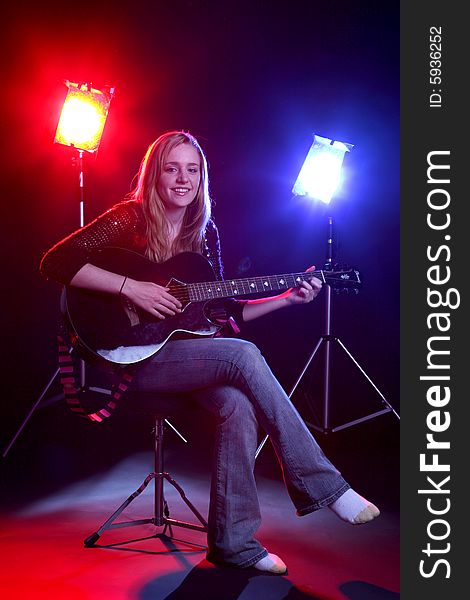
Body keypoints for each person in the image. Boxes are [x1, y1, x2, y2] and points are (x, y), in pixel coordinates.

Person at [40, 130, 379, 575]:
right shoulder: (130, 218)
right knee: (241, 355)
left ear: (202, 176)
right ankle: (325, 486)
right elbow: (55, 262)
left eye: (192, 169)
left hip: (186, 358)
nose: (183, 179)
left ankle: (233, 545)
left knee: (237, 403)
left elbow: (225, 310)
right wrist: (131, 287)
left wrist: (285, 299)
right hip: (130, 360)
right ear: (154, 174)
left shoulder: (206, 232)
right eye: (171, 168)